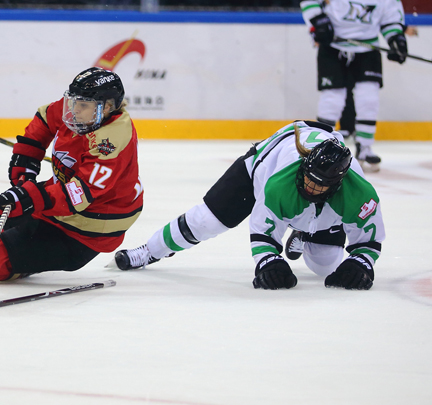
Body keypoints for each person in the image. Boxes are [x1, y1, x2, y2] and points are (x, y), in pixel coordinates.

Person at [115, 121, 385, 290]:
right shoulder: (279, 183)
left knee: (325, 267)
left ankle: (303, 231)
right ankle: (148, 251)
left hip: (317, 204)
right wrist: (268, 261)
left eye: (320, 184)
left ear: (338, 182)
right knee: (205, 221)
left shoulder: (358, 192)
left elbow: (370, 238)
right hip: (257, 166)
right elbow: (262, 231)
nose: (310, 187)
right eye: (308, 178)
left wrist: (362, 262)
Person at [0, 67, 144, 281]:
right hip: (65, 205)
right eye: (73, 102)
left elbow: (80, 194)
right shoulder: (84, 108)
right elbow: (45, 118)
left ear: (106, 107)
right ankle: (9, 249)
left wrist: (31, 198)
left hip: (92, 224)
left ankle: (13, 258)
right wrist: (26, 161)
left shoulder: (111, 141)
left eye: (82, 105)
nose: (74, 110)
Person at [300, 0, 407, 172]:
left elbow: (391, 19)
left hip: (366, 48)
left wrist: (396, 39)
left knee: (369, 98)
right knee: (332, 98)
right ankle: (321, 145)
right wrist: (319, 20)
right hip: (334, 46)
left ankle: (366, 147)